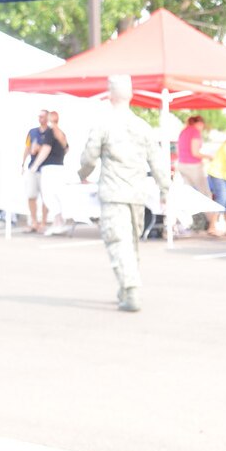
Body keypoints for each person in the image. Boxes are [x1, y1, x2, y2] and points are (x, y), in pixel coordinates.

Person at [78, 74, 169, 312]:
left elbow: (88, 158)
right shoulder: (143, 127)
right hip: (137, 194)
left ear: (110, 94)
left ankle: (130, 289)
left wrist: (81, 174)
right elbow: (158, 161)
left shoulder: (103, 124)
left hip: (113, 192)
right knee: (131, 243)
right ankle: (126, 286)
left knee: (119, 241)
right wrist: (165, 190)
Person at [32, 108, 71, 234]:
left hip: (49, 168)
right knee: (56, 195)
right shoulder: (61, 134)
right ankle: (59, 221)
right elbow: (66, 149)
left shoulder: (50, 132)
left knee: (48, 195)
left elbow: (46, 150)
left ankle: (57, 221)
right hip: (59, 167)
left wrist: (35, 165)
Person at [22, 108, 49, 231]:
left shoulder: (51, 132)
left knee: (46, 196)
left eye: (42, 116)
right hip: (33, 167)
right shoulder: (32, 132)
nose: (40, 119)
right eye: (39, 116)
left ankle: (43, 222)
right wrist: (23, 163)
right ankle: (34, 221)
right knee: (31, 195)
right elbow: (27, 148)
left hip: (46, 168)